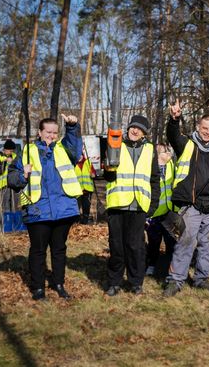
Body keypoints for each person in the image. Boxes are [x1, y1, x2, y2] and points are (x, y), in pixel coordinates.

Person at [163, 100, 209, 297]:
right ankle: (175, 280)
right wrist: (174, 119)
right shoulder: (186, 144)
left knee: (208, 245)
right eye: (205, 128)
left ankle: (202, 278)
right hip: (191, 204)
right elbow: (172, 135)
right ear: (198, 127)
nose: (208, 132)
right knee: (185, 242)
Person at [7, 115, 83, 300]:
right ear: (40, 133)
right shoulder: (27, 152)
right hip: (38, 211)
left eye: (55, 132)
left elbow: (75, 145)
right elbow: (11, 180)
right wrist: (23, 175)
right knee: (38, 250)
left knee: (59, 249)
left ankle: (58, 284)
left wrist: (72, 127)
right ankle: (38, 288)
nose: (51, 136)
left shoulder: (64, 149)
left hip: (63, 210)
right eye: (47, 132)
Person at [104, 115, 160, 296]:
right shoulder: (116, 145)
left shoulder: (150, 149)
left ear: (144, 133)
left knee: (136, 247)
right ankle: (114, 282)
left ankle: (136, 283)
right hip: (117, 205)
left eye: (139, 129)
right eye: (132, 127)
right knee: (116, 247)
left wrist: (152, 207)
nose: (135, 131)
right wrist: (107, 167)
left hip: (138, 207)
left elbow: (154, 179)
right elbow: (107, 176)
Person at [145, 144, 177, 276]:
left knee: (171, 242)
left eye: (166, 151)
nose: (167, 154)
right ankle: (151, 265)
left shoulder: (171, 165)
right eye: (163, 152)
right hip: (154, 213)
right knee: (154, 242)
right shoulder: (150, 167)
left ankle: (169, 267)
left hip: (169, 212)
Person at [0, 139, 19, 216]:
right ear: (5, 149)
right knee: (5, 206)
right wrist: (5, 162)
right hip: (4, 185)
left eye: (12, 151)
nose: (11, 152)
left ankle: (15, 225)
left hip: (14, 185)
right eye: (10, 150)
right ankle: (6, 224)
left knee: (15, 206)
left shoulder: (15, 156)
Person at [74, 152, 96, 224]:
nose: (79, 157)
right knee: (76, 207)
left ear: (83, 156)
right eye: (78, 156)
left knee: (86, 206)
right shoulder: (74, 164)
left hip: (87, 190)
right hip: (77, 190)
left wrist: (93, 174)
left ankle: (85, 221)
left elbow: (93, 172)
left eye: (80, 155)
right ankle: (76, 221)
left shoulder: (88, 162)